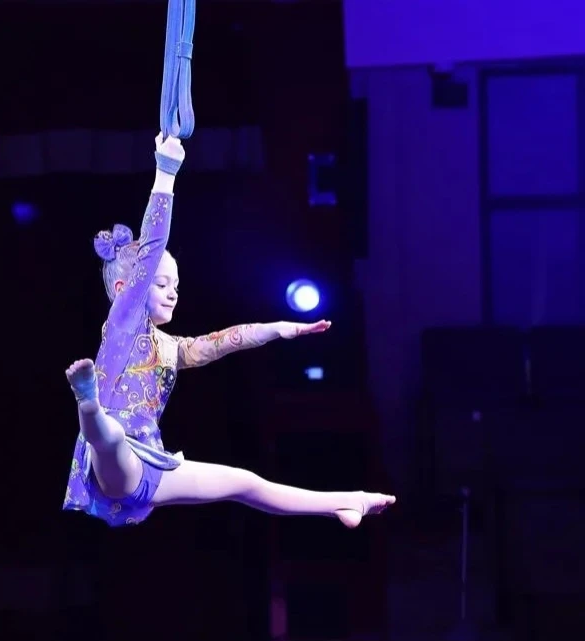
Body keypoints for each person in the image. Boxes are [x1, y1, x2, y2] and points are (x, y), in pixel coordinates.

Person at [62, 133, 395, 527]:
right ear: (126, 290)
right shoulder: (122, 325)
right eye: (161, 284)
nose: (173, 293)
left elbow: (222, 342)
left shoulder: (170, 349)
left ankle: (346, 502)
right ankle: (88, 402)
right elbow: (153, 243)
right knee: (111, 437)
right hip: (114, 461)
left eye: (176, 286)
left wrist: (277, 328)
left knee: (245, 483)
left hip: (151, 466)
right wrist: (166, 170)